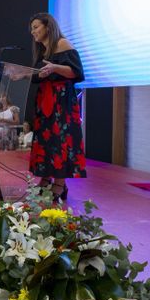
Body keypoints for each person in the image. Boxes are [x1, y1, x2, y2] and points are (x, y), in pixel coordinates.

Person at [28, 12, 87, 201]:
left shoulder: (63, 44)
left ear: (48, 26)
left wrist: (55, 68)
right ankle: (45, 178)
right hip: (45, 102)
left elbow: (76, 72)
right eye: (32, 29)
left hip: (61, 102)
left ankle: (59, 184)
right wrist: (22, 75)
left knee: (60, 140)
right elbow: (38, 75)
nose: (33, 32)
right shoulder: (42, 50)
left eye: (36, 27)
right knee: (46, 141)